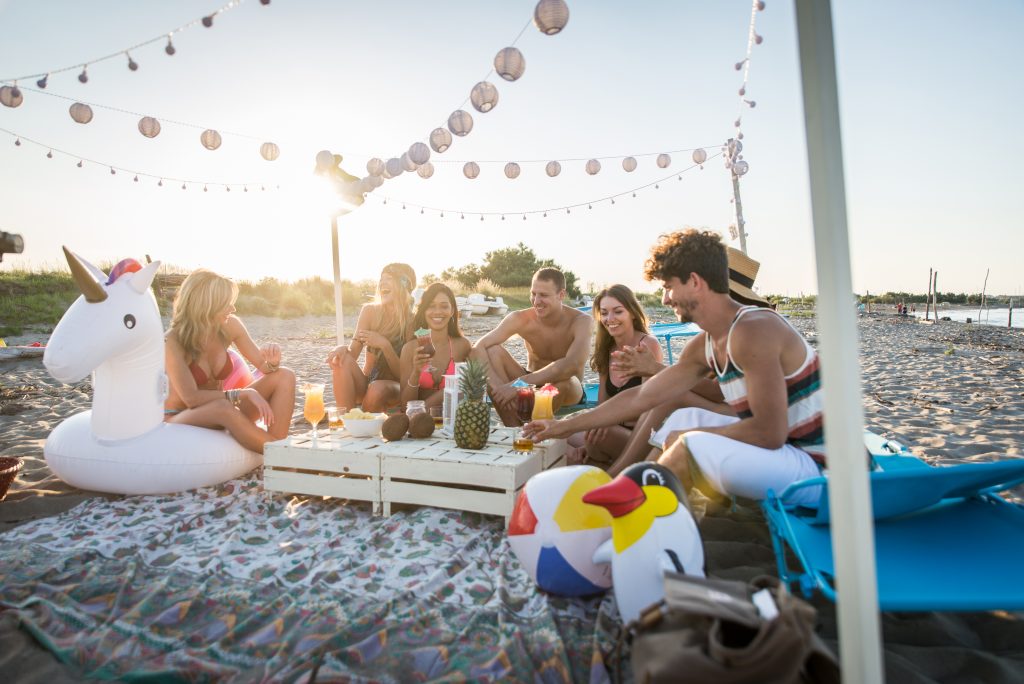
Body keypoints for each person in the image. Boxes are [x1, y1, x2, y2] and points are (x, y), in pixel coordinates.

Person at [526, 230, 825, 506]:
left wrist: (689, 434)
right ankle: (630, 489)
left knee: (689, 441)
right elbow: (641, 397)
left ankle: (632, 509)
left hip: (818, 468)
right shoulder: (706, 343)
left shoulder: (753, 330)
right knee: (682, 416)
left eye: (669, 286)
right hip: (783, 454)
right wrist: (561, 426)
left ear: (695, 282)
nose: (665, 298)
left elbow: (770, 432)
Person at [598, 246, 775, 476]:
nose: (667, 299)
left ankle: (619, 476)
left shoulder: (748, 333)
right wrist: (570, 425)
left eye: (671, 288)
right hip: (732, 414)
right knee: (674, 406)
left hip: (750, 422)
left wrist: (654, 368)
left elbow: (716, 393)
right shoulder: (715, 335)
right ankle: (634, 477)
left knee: (674, 400)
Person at [164, 269, 296, 454]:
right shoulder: (173, 340)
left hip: (223, 410)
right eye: (227, 304)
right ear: (207, 305)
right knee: (223, 407)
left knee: (284, 375)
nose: (233, 309)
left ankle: (276, 446)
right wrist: (242, 394)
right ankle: (283, 456)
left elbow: (264, 367)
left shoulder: (229, 326)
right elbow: (191, 399)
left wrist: (273, 361)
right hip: (182, 416)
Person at [470, 267, 594, 426]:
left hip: (567, 387)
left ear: (561, 295)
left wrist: (517, 385)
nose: (536, 301)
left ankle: (528, 430)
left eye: (543, 295)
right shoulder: (521, 318)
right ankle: (514, 427)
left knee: (566, 381)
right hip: (530, 381)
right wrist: (499, 388)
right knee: (493, 351)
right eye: (533, 294)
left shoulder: (581, 321)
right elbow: (477, 349)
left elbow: (572, 365)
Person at [566, 284, 663, 468]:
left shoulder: (647, 345)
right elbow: (602, 405)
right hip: (611, 430)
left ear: (632, 313)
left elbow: (647, 408)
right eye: (604, 313)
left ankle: (600, 466)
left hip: (642, 437)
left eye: (618, 312)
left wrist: (596, 433)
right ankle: (598, 464)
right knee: (563, 435)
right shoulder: (606, 349)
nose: (609, 319)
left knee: (597, 436)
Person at [327, 263, 416, 413]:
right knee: (341, 361)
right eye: (382, 279)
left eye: (389, 278)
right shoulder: (370, 311)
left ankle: (363, 423)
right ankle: (347, 421)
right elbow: (353, 354)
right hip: (368, 382)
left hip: (397, 385)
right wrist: (341, 349)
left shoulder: (412, 321)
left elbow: (403, 374)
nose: (383, 283)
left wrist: (385, 345)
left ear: (403, 285)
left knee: (377, 388)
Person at [399, 282, 472, 409]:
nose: (438, 312)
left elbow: (467, 390)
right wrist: (416, 373)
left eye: (444, 306)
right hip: (419, 421)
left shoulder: (463, 345)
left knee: (455, 385)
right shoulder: (409, 349)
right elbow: (405, 405)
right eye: (431, 306)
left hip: (452, 419)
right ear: (424, 310)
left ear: (452, 311)